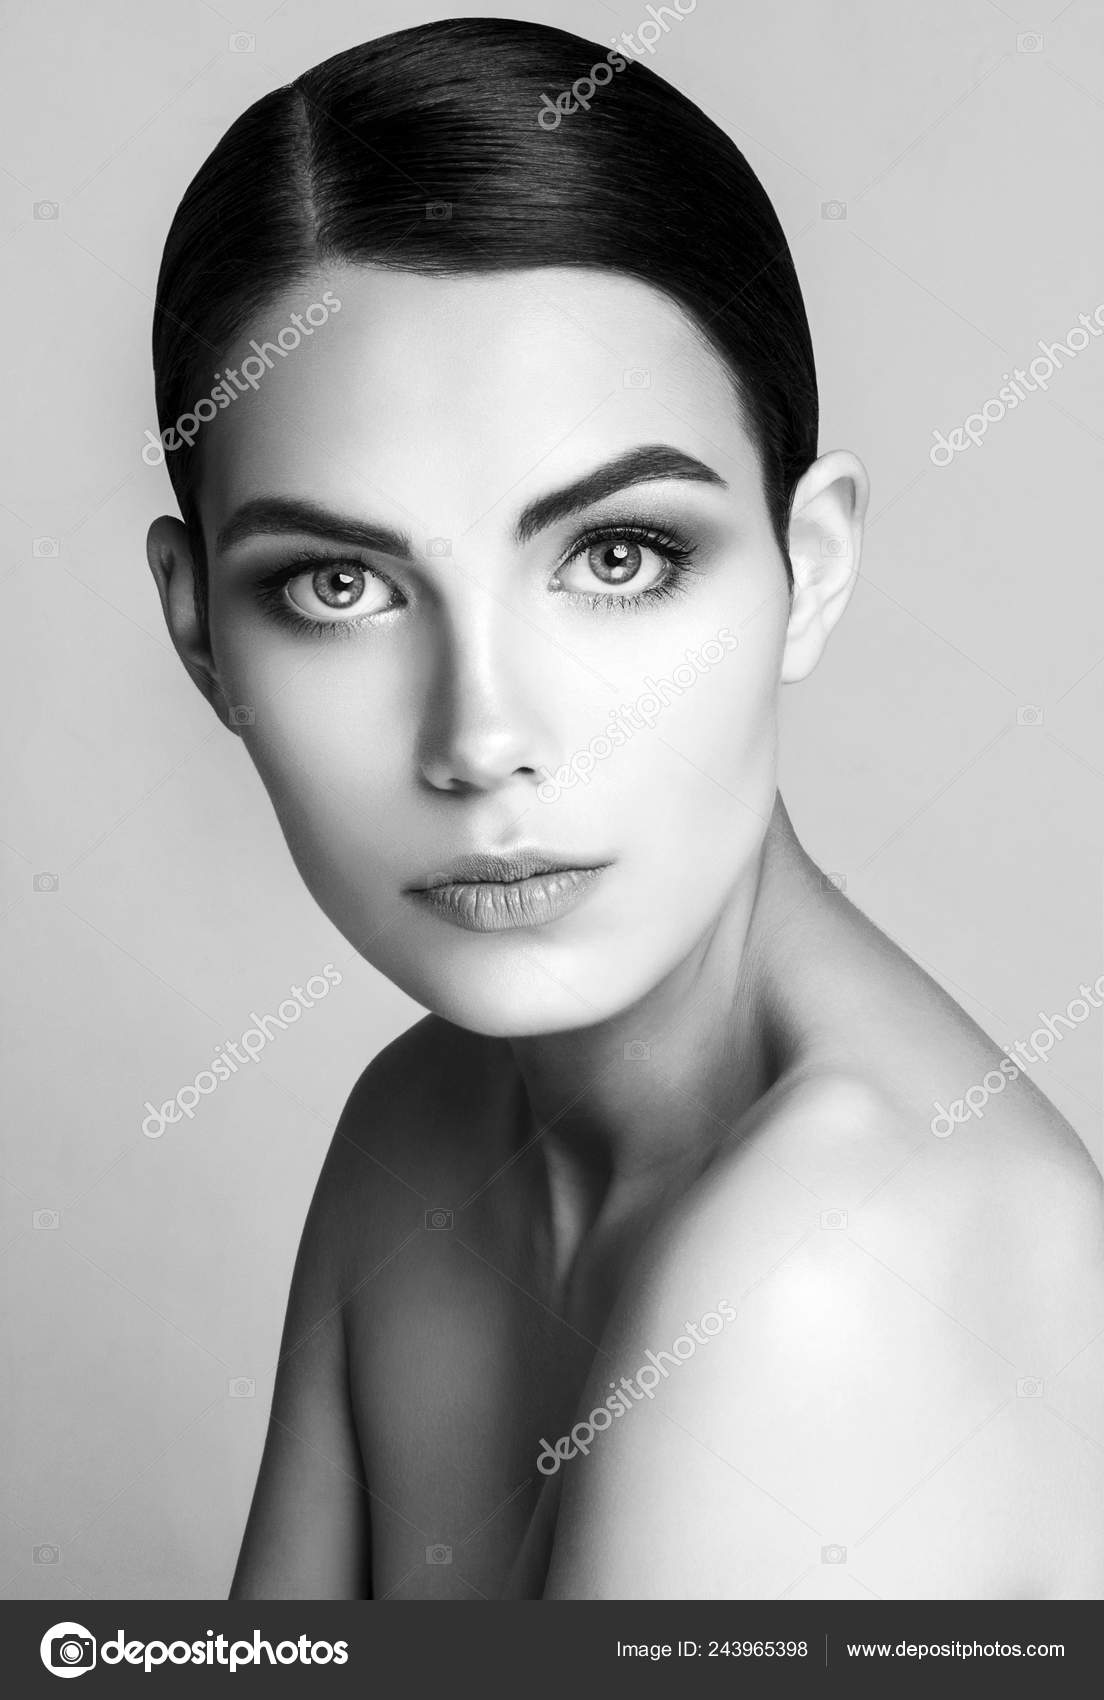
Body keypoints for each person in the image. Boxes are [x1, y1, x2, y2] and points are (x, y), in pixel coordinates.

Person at [145, 18, 1104, 1600]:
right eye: (340, 584)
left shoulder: (825, 1283)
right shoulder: (420, 1128)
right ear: (201, 636)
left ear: (816, 568)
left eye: (615, 558)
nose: (484, 737)